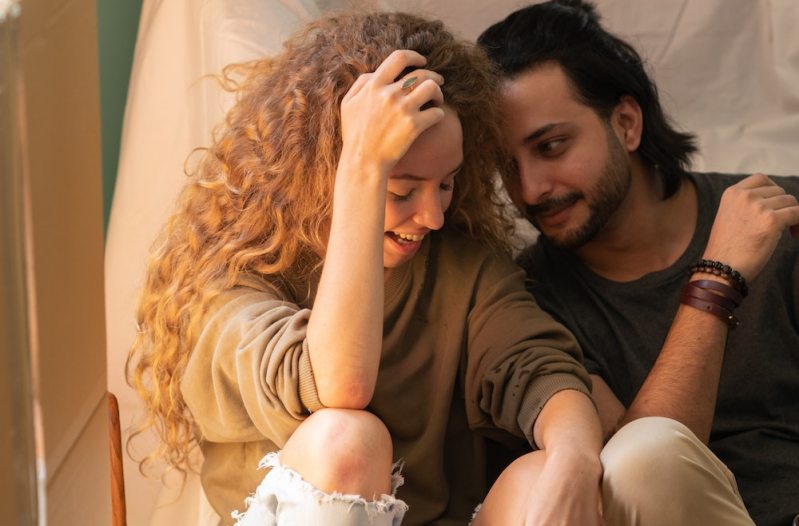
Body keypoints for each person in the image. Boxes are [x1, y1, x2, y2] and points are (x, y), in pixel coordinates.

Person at [127, 10, 749, 526]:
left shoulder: (461, 270)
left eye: (446, 184)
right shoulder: (235, 282)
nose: (430, 214)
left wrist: (572, 461)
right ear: (331, 177)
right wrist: (363, 173)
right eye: (402, 189)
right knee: (349, 441)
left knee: (553, 465)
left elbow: (544, 372)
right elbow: (337, 385)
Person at [478, 2, 799, 525]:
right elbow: (639, 477)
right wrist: (716, 276)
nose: (530, 189)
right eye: (506, 166)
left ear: (626, 123)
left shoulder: (774, 219)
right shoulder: (527, 300)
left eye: (552, 146)